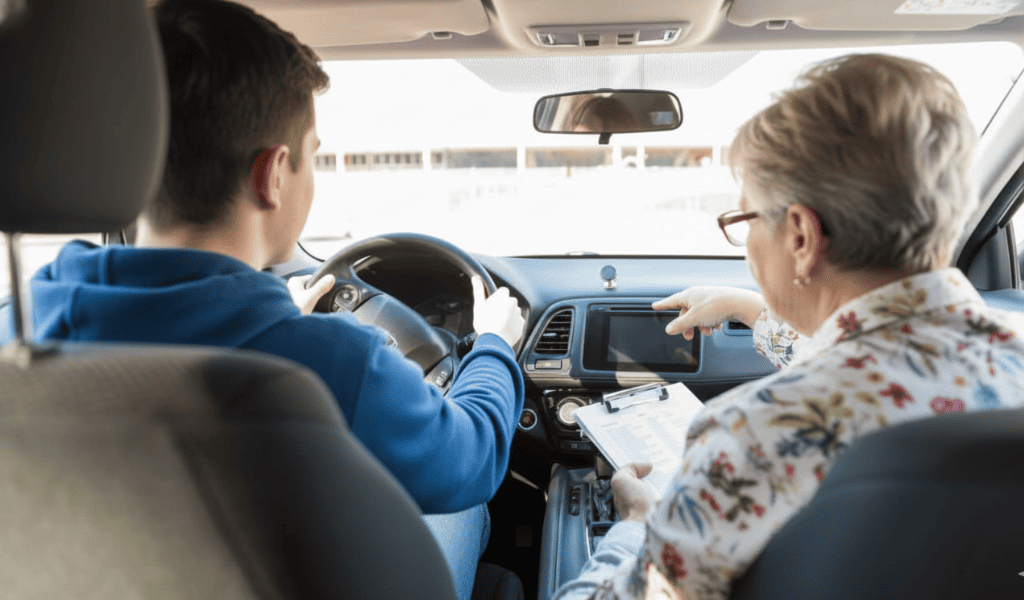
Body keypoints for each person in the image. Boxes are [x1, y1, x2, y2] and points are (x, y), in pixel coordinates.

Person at [0, 2, 525, 599]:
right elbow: (473, 458)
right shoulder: (329, 362)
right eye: (314, 155)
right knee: (464, 509)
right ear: (273, 174)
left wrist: (276, 325)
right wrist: (492, 347)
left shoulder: (18, 327)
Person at [553, 53, 1024, 600]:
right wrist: (750, 310)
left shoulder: (753, 436)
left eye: (743, 219)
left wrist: (635, 524)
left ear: (800, 235)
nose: (745, 242)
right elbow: (886, 370)